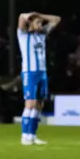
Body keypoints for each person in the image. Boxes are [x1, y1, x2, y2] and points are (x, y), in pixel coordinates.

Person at [17, 11, 61, 145]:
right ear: (30, 23)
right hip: (30, 72)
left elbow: (57, 18)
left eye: (41, 23)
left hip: (42, 72)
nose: (40, 25)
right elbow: (21, 17)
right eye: (37, 23)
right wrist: (31, 15)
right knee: (30, 103)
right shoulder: (23, 35)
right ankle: (24, 136)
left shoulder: (42, 34)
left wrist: (40, 15)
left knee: (39, 104)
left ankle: (32, 135)